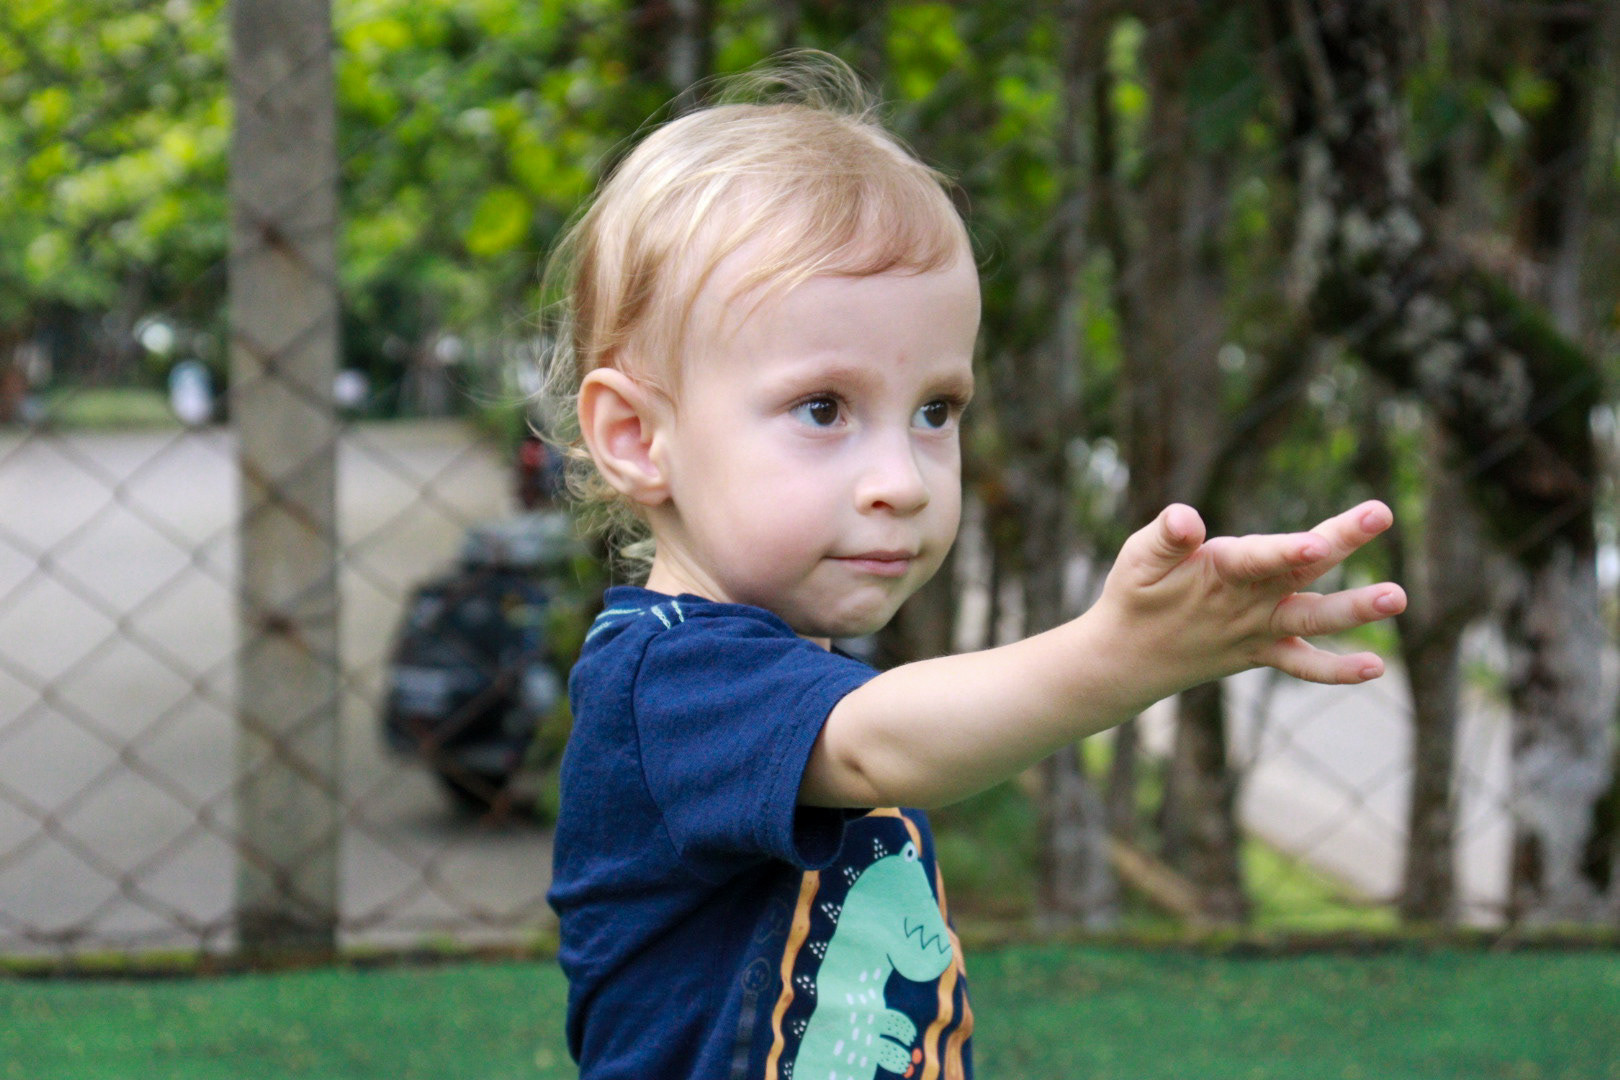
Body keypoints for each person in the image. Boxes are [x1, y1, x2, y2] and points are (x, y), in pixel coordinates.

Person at [540, 54, 1406, 1080]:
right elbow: (883, 747)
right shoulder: (664, 682)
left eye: (935, 411)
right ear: (637, 437)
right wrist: (1123, 656)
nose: (901, 481)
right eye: (823, 408)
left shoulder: (790, 671)